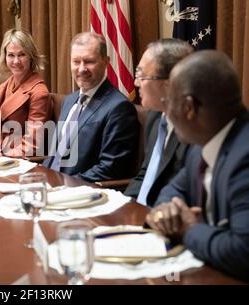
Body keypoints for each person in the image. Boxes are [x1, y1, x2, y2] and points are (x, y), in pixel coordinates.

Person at [146, 50, 249, 281]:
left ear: (189, 107)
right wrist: (166, 211)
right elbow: (174, 189)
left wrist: (188, 230)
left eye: (168, 101)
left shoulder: (244, 157)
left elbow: (243, 251)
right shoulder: (201, 145)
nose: (167, 111)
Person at [42, 32, 139, 182]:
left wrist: (63, 184)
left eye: (89, 61)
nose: (81, 69)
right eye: (76, 61)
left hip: (79, 192)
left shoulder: (119, 108)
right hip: (49, 184)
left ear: (106, 62)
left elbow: (110, 168)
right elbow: (55, 155)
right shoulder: (69, 100)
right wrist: (40, 178)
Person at [124, 39, 193, 206]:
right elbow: (145, 174)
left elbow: (183, 191)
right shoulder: (155, 116)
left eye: (142, 75)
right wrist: (123, 206)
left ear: (169, 83)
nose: (135, 83)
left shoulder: (193, 129)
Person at [0, 29, 51, 157]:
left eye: (21, 55)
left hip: (16, 162)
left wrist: (1, 156)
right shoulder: (4, 86)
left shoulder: (39, 92)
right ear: (5, 57)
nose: (16, 61)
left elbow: (31, 145)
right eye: (11, 55)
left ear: (31, 56)